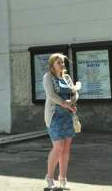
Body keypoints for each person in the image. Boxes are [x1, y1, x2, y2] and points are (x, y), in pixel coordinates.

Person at [43, 53, 80, 190]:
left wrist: (73, 101)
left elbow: (75, 92)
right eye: (59, 62)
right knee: (58, 147)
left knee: (66, 148)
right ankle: (49, 177)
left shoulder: (67, 77)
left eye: (63, 62)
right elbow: (51, 95)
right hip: (54, 116)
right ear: (52, 64)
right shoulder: (48, 77)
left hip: (67, 116)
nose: (62, 65)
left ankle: (63, 178)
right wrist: (65, 103)